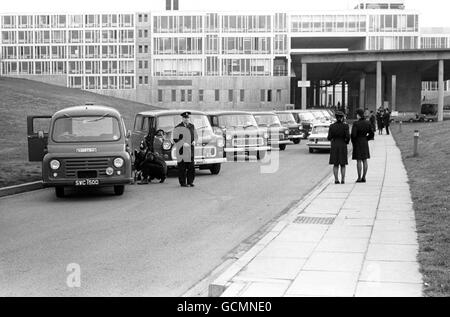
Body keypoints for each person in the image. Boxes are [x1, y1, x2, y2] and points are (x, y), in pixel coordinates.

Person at [173, 112, 198, 187]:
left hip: (190, 150)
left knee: (191, 167)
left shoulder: (192, 126)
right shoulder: (178, 127)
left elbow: (196, 136)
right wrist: (183, 143)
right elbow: (175, 139)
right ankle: (183, 182)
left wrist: (195, 141)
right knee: (182, 167)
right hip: (181, 150)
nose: (186, 119)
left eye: (187, 118)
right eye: (185, 118)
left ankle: (190, 181)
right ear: (182, 118)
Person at [351, 109, 375, 183]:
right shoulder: (367, 123)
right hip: (364, 142)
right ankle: (364, 177)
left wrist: (353, 142)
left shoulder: (356, 123)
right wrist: (366, 139)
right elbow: (372, 134)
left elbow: (353, 135)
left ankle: (359, 177)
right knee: (364, 160)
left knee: (358, 160)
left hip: (358, 142)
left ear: (358, 115)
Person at [327, 111, 350, 184]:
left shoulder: (332, 126)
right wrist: (346, 142)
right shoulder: (345, 126)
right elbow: (348, 137)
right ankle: (343, 179)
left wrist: (332, 139)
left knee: (335, 164)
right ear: (342, 117)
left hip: (335, 145)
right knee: (343, 164)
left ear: (336, 117)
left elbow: (329, 137)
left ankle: (336, 180)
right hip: (343, 144)